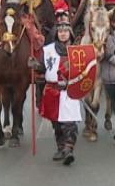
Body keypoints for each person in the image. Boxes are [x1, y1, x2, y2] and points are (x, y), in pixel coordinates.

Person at [30, 22, 82, 165]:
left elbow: (84, 71)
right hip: (52, 91)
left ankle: (68, 149)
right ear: (56, 34)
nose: (63, 34)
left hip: (69, 91)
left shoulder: (77, 51)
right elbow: (43, 68)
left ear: (70, 33)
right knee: (57, 124)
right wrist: (35, 65)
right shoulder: (48, 50)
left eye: (66, 31)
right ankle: (61, 147)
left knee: (69, 123)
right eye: (60, 31)